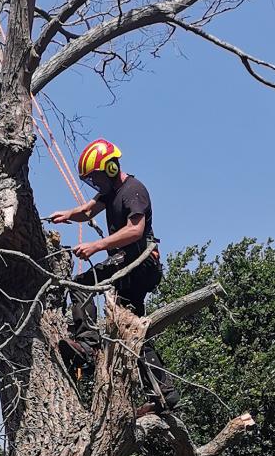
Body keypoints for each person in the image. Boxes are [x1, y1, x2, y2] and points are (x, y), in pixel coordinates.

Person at [49, 138, 179, 414]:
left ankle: (87, 344)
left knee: (82, 284)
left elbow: (135, 231)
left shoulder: (133, 190)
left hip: (138, 262)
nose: (95, 184)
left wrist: (97, 246)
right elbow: (87, 210)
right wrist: (67, 215)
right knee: (129, 327)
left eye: (96, 177)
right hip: (128, 263)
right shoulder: (110, 192)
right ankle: (164, 393)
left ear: (109, 168)